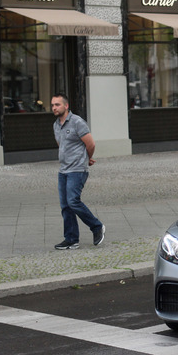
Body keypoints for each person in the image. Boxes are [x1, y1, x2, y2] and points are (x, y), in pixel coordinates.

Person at [51, 93, 105, 250]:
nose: (54, 107)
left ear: (66, 106)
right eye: (53, 105)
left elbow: (91, 143)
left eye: (57, 105)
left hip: (77, 169)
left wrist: (87, 158)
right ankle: (71, 239)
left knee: (73, 201)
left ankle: (97, 226)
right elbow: (62, 145)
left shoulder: (77, 122)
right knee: (65, 206)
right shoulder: (56, 125)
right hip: (63, 170)